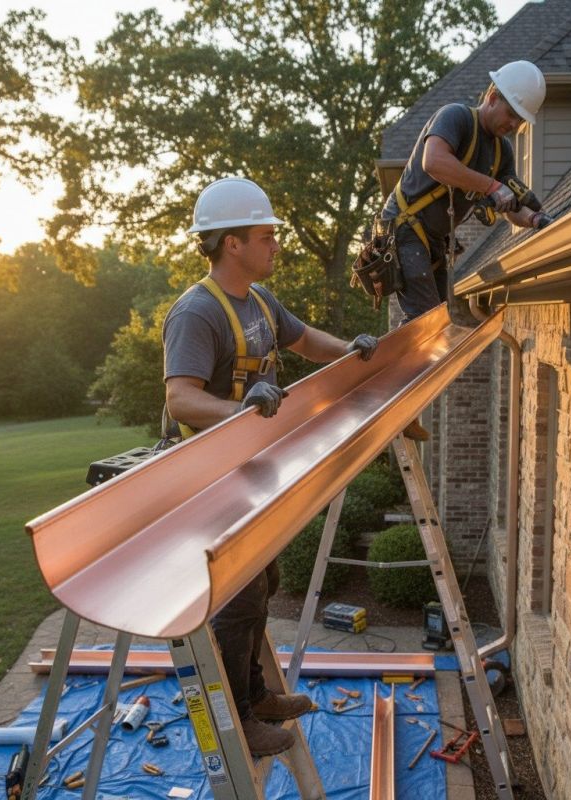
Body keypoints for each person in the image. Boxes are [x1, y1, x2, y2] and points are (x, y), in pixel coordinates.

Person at [162, 176, 378, 757]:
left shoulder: (259, 303)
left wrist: (357, 350)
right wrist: (241, 410)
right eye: (266, 235)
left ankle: (256, 694)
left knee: (267, 583)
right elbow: (179, 398)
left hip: (250, 469)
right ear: (231, 243)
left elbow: (306, 341)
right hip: (210, 477)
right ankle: (237, 717)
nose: (275, 244)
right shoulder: (197, 313)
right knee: (240, 594)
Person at [379, 59, 551, 439]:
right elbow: (434, 161)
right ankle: (391, 398)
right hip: (405, 227)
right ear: (492, 97)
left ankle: (401, 399)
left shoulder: (502, 153)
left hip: (435, 241)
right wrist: (491, 188)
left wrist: (536, 219)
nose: (514, 126)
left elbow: (513, 210)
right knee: (424, 317)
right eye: (512, 115)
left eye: (521, 121)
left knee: (437, 322)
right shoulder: (456, 117)